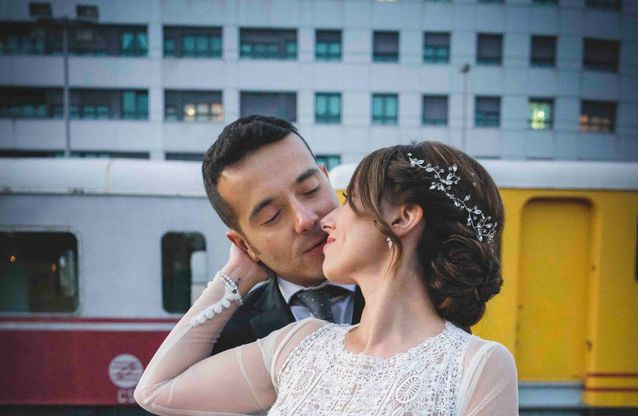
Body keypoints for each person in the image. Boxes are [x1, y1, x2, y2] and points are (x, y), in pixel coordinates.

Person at [135, 141, 518, 415]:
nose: (324, 219)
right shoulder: (299, 345)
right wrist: (236, 274)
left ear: (403, 218)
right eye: (270, 217)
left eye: (349, 200)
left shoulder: (477, 365)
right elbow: (154, 391)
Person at [201, 116, 364, 354]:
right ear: (244, 245)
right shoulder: (228, 339)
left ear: (327, 180)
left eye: (311, 190)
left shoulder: (418, 284)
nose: (306, 219)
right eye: (272, 216)